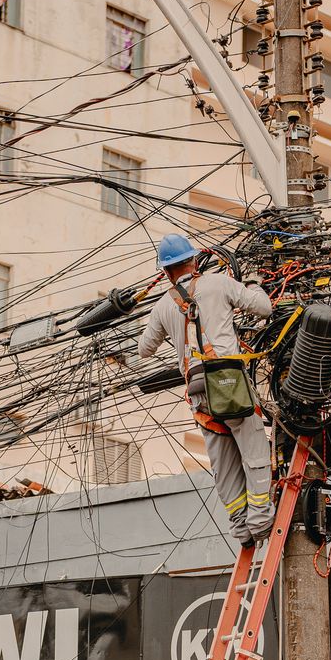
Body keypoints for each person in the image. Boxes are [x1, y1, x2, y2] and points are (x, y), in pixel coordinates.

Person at [139, 234, 276, 548]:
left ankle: (241, 530)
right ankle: (259, 520)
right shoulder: (219, 284)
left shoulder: (163, 306)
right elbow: (264, 307)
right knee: (254, 448)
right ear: (193, 261)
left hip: (199, 393)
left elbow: (144, 349)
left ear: (166, 271)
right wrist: (253, 284)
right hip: (228, 382)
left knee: (223, 464)